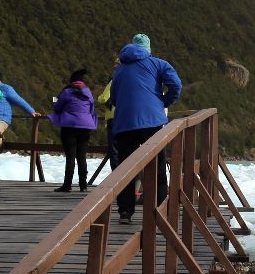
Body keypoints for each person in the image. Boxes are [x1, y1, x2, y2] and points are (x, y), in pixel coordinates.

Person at [108, 33, 181, 225]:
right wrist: (164, 101)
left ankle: (125, 211)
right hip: (152, 122)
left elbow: (113, 98)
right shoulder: (158, 64)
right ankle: (160, 210)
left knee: (125, 168)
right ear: (148, 49)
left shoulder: (120, 70)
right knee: (157, 167)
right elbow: (176, 85)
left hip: (124, 124)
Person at [51, 68, 97, 192]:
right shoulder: (88, 93)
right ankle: (83, 185)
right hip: (85, 127)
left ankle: (67, 185)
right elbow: (92, 109)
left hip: (69, 126)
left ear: (71, 81)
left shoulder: (66, 92)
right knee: (82, 156)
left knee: (70, 156)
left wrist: (54, 99)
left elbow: (56, 107)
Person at [0, 71, 41, 147]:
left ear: (0, 79)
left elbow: (19, 100)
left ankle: (0, 142)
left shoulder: (6, 88)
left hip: (2, 119)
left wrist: (32, 111)